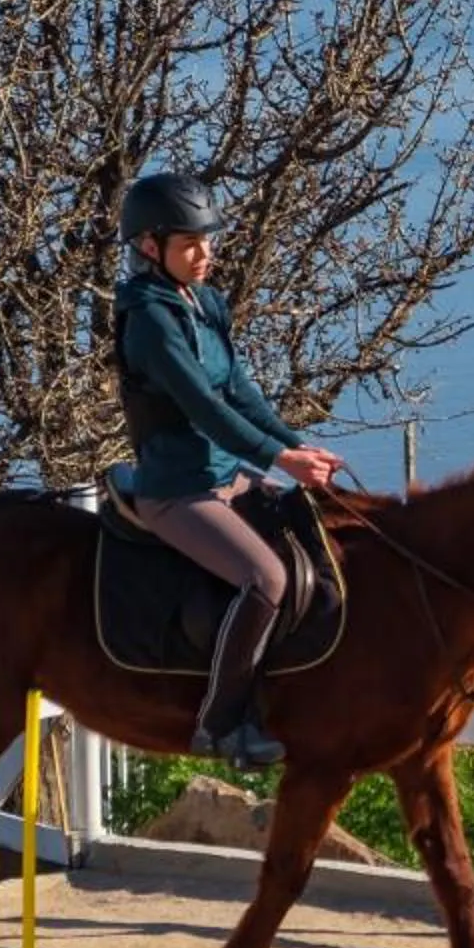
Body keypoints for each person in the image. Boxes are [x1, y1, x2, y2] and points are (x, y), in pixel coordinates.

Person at [110, 171, 343, 769]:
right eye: (190, 243)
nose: (206, 253)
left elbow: (241, 393)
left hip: (225, 476)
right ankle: (219, 722)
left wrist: (297, 445)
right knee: (265, 579)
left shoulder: (204, 303)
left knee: (309, 531)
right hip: (178, 491)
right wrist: (279, 458)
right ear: (148, 246)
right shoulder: (150, 322)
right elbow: (205, 410)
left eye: (207, 240)